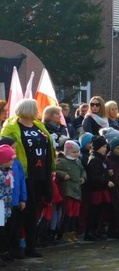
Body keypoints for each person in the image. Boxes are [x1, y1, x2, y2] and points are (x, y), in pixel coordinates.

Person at [1, 98, 56, 257]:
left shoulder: (39, 126)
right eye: (35, 108)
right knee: (20, 212)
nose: (38, 110)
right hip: (23, 175)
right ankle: (14, 247)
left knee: (33, 211)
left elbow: (48, 147)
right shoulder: (11, 128)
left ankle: (31, 246)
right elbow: (6, 150)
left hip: (41, 174)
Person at [0, 137, 26, 259]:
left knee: (12, 228)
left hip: (11, 203)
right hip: (2, 206)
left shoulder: (14, 165)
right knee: (2, 230)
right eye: (13, 148)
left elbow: (21, 181)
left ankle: (11, 250)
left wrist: (22, 198)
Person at [54, 140, 86, 242]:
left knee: (75, 213)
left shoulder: (78, 161)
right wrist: (63, 175)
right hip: (68, 190)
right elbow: (54, 170)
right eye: (74, 152)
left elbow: (83, 170)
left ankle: (72, 232)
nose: (76, 154)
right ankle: (64, 233)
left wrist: (83, 177)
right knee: (68, 212)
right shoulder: (62, 161)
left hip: (76, 190)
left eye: (77, 152)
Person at [84, 136, 114, 241]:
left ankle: (96, 231)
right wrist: (106, 181)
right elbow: (94, 176)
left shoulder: (101, 159)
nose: (105, 149)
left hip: (101, 189)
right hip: (96, 190)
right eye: (103, 147)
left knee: (99, 211)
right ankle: (90, 232)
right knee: (94, 212)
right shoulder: (94, 160)